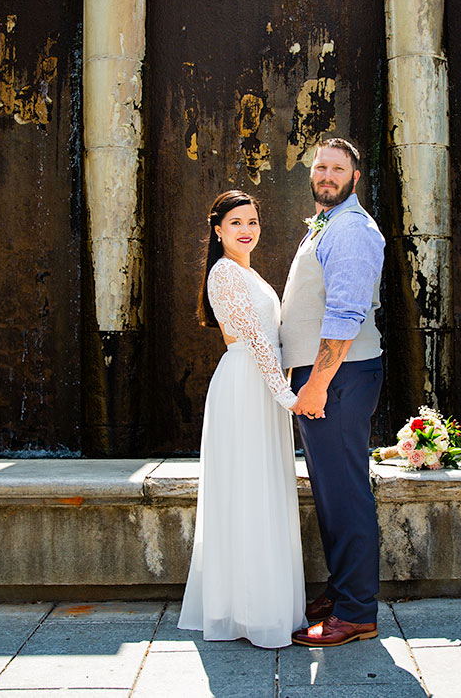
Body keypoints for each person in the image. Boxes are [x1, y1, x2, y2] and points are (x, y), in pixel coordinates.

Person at [177, 190, 306, 649]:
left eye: (252, 221)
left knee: (262, 487)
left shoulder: (247, 272)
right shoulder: (224, 273)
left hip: (262, 384)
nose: (246, 229)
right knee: (248, 489)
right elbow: (252, 338)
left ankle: (262, 605)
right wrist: (285, 394)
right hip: (246, 384)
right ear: (218, 230)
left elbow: (273, 336)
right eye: (236, 223)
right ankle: (248, 612)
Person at [281, 138, 386, 647]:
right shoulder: (327, 224)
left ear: (354, 176)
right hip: (328, 378)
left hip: (339, 378)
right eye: (320, 166)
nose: (326, 174)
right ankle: (342, 593)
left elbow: (346, 313)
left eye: (337, 167)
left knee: (345, 493)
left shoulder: (350, 228)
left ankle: (358, 613)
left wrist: (317, 382)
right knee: (331, 491)